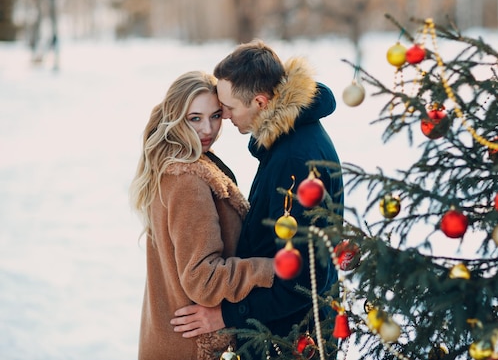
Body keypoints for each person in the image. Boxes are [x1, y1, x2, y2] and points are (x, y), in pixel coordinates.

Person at [171, 40, 344, 352]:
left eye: (229, 108)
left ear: (261, 103)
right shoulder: (287, 140)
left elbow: (303, 281)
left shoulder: (295, 161)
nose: (223, 116)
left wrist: (226, 314)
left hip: (291, 340)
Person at [129, 71, 275, 360]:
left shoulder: (173, 164)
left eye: (216, 115)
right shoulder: (187, 180)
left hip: (169, 338)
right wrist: (270, 269)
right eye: (194, 118)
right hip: (194, 347)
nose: (208, 129)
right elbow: (203, 279)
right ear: (175, 117)